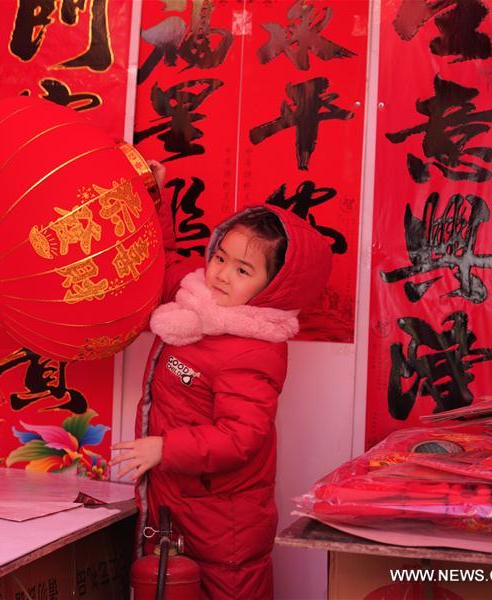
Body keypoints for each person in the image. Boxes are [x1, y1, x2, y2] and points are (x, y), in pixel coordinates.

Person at [112, 161, 333, 599]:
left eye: (243, 270)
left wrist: (164, 448)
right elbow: (161, 262)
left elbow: (240, 437)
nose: (221, 273)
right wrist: (152, 196)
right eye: (220, 257)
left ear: (273, 289)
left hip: (223, 528)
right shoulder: (196, 296)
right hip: (179, 506)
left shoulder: (255, 350)